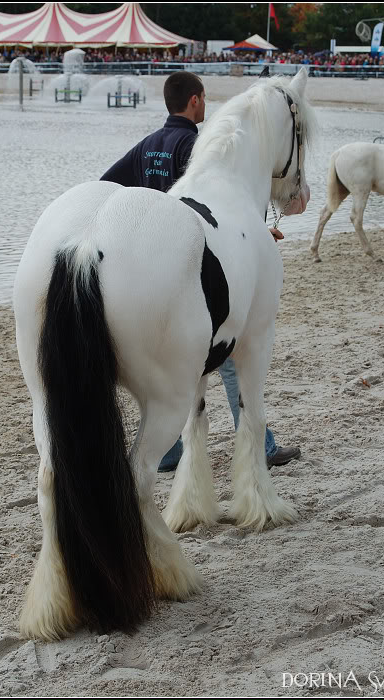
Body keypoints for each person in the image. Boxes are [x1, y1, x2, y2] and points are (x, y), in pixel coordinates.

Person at [100, 71, 301, 473]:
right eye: (204, 99)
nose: (206, 106)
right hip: (197, 266)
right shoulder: (198, 146)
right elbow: (210, 210)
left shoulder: (147, 146)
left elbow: (106, 184)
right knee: (227, 358)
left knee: (170, 364)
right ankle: (261, 446)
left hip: (149, 264)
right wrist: (255, 236)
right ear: (194, 101)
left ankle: (171, 451)